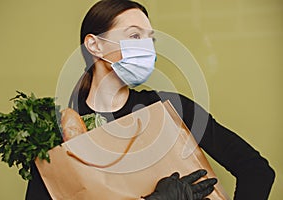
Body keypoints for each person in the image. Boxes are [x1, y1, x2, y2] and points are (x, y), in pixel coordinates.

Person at [26, 0, 275, 199]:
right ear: (95, 45)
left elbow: (257, 171)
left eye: (149, 38)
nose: (146, 46)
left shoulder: (171, 109)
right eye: (135, 36)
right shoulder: (54, 134)